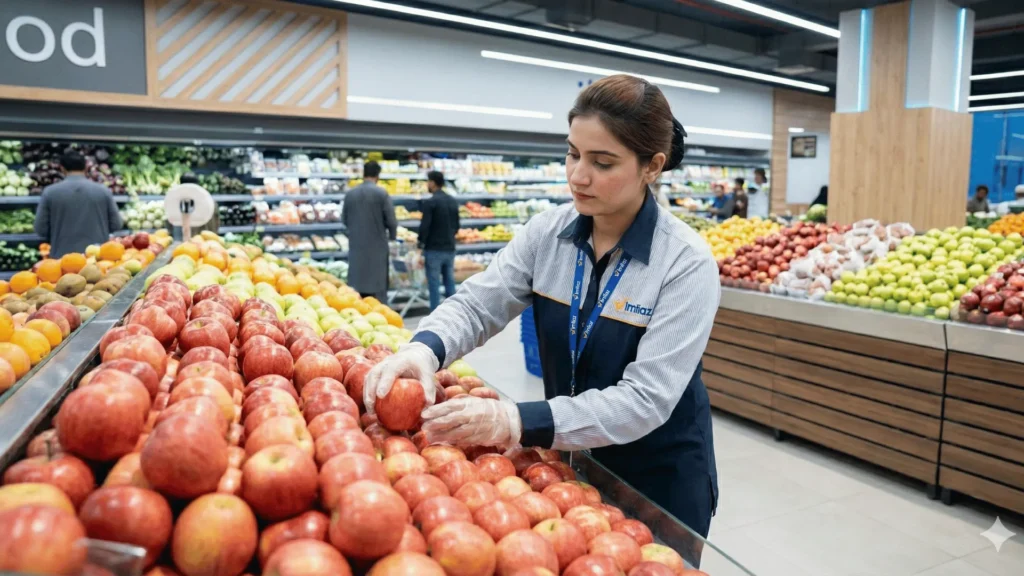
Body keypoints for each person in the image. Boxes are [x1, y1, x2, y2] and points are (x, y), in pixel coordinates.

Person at [363, 75, 720, 543]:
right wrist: (425, 350)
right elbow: (478, 303)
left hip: (658, 478)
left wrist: (517, 419)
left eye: (602, 162)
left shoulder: (684, 263)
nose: (577, 175)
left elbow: (644, 400)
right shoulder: (547, 235)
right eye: (573, 153)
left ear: (652, 166)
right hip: (567, 464)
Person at [35, 151, 122, 258]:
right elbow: (116, 224)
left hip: (62, 260)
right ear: (86, 167)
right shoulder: (103, 191)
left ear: (62, 168)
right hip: (97, 258)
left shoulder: (50, 192)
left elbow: (41, 229)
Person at [342, 161, 397, 301]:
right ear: (377, 175)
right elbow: (391, 221)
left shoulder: (350, 194)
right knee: (377, 291)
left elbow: (344, 220)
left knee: (357, 290)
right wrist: (392, 237)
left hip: (356, 248)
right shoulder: (381, 193)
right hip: (377, 249)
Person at [418, 170, 460, 310]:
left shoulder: (431, 203)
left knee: (434, 284)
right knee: (450, 283)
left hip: (434, 249)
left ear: (433, 183)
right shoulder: (453, 201)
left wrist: (420, 243)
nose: (427, 185)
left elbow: (425, 227)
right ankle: (453, 313)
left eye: (428, 182)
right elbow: (456, 226)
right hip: (449, 248)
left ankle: (435, 315)